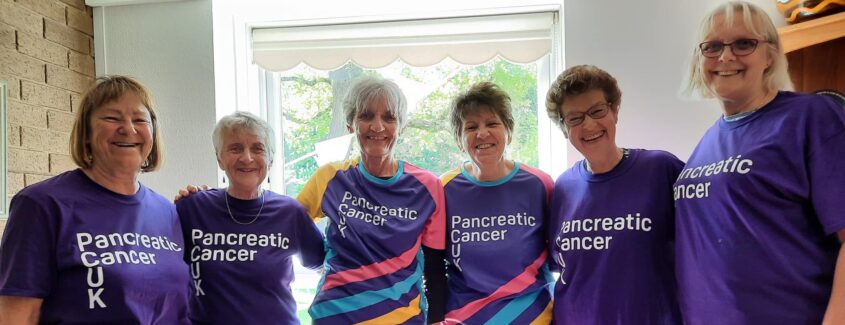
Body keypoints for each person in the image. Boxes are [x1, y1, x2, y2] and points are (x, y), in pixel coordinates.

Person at [675, 2, 845, 324]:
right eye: (712, 47)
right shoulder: (707, 143)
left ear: (770, 55)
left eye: (744, 43)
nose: (725, 57)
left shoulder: (812, 117)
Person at [0, 76, 190, 324]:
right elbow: (17, 315)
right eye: (112, 118)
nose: (129, 129)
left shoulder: (167, 211)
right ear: (86, 133)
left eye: (140, 119)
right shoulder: (41, 205)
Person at [296, 76, 447, 324]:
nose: (377, 126)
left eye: (389, 118)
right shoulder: (330, 177)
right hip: (334, 317)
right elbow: (287, 221)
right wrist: (315, 260)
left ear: (401, 126)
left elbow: (435, 268)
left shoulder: (427, 186)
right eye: (366, 116)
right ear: (350, 124)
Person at [545, 65, 683, 324]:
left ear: (614, 110)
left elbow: (702, 249)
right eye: (575, 118)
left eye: (597, 111)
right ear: (564, 128)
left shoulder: (661, 170)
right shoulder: (563, 187)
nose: (589, 124)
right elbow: (561, 267)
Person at [175, 112, 325, 324]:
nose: (247, 158)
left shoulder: (290, 212)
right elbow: (162, 270)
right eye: (235, 148)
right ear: (220, 158)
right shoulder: (193, 207)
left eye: (257, 148)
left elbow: (327, 265)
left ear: (270, 159)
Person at [440, 82, 554, 324]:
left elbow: (558, 259)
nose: (482, 133)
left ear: (509, 132)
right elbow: (431, 265)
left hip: (532, 318)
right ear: (460, 141)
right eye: (471, 127)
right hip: (464, 319)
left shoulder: (539, 184)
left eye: (492, 124)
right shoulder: (443, 189)